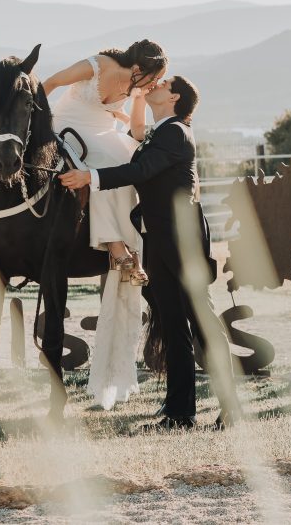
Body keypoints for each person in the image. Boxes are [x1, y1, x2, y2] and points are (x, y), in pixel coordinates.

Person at [59, 76, 242, 430]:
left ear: (175, 96)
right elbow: (137, 137)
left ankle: (231, 407)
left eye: (164, 82)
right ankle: (179, 414)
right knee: (174, 327)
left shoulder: (176, 132)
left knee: (201, 321)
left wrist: (90, 178)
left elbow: (139, 170)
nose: (155, 84)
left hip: (181, 239)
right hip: (158, 238)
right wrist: (136, 98)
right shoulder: (162, 131)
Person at [43, 39, 167, 410]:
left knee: (122, 158)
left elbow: (130, 122)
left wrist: (135, 106)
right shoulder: (96, 66)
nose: (152, 83)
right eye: (153, 77)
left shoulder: (134, 86)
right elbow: (48, 84)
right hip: (67, 129)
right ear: (139, 67)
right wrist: (41, 126)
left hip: (100, 134)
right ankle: (115, 244)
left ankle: (129, 241)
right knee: (98, 165)